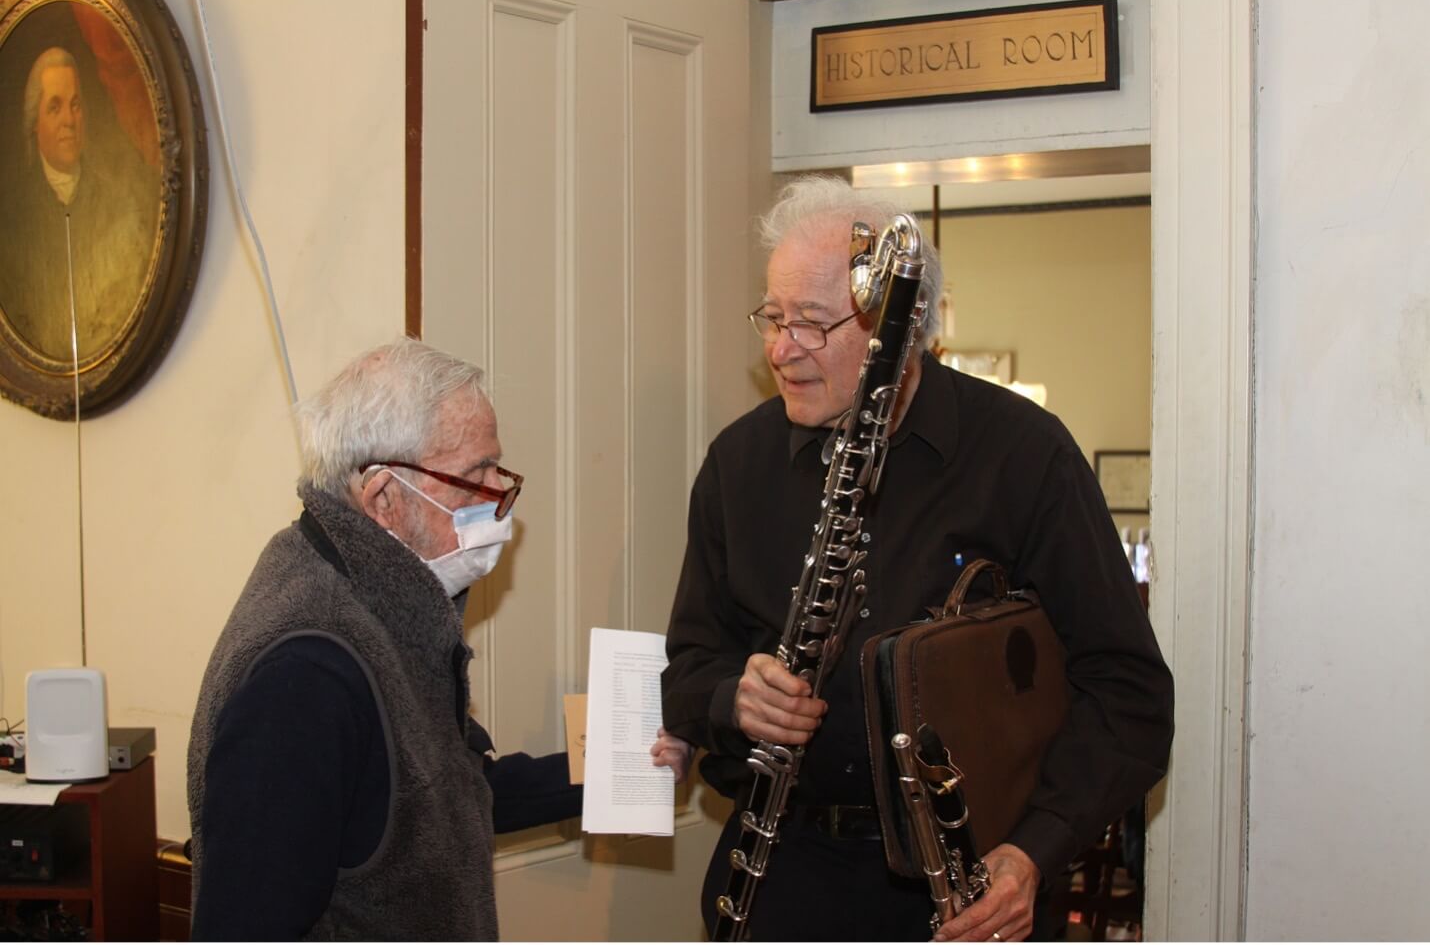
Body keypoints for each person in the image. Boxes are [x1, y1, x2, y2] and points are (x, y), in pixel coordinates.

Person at [660, 176, 1174, 942]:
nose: (779, 348)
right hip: (783, 880)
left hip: (968, 888)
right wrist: (733, 699)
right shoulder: (739, 464)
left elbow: (1127, 693)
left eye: (811, 322)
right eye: (772, 317)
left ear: (902, 324)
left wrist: (1034, 852)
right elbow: (690, 665)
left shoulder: (1024, 455)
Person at [188, 338, 688, 940]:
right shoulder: (306, 671)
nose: (500, 500)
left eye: (495, 468)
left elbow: (440, 798)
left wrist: (629, 761)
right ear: (385, 499)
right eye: (474, 475)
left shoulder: (383, 600)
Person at [0, 46, 157, 360]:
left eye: (75, 105)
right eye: (54, 108)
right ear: (35, 121)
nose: (68, 120)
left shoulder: (117, 203)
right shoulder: (14, 218)